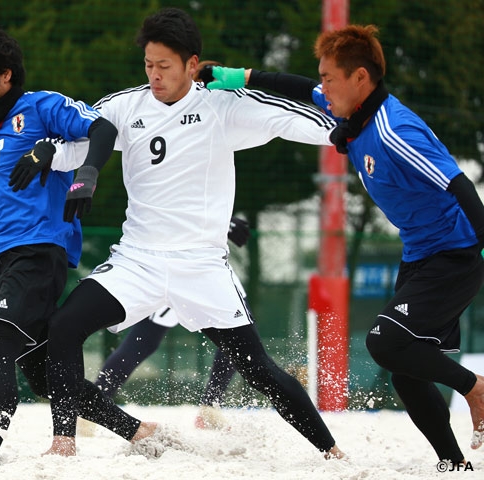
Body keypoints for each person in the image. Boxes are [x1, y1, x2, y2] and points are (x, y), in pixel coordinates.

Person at [34, 7, 343, 459]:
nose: (154, 75)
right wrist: (44, 153)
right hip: (137, 260)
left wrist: (350, 130)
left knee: (257, 368)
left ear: (192, 65)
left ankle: (331, 452)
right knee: (63, 327)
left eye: (164, 66)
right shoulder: (126, 105)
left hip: (201, 266)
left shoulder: (223, 105)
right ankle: (63, 443)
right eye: (148, 65)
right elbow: (76, 142)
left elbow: (312, 122)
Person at [206, 24, 484, 465]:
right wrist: (238, 77)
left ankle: (475, 388)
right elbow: (297, 89)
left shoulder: (396, 131)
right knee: (407, 370)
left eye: (330, 78)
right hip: (419, 254)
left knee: (383, 342)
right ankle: (454, 465)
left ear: (360, 78)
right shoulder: (355, 114)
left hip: (454, 255)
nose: (323, 87)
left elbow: (460, 185)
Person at [0, 17, 156, 465]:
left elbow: (103, 129)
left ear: (4, 75)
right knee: (46, 376)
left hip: (39, 252)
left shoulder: (42, 106)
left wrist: (86, 175)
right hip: (4, 257)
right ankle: (139, 431)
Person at [93, 215, 250, 430]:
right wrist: (218, 222)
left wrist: (221, 221)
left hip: (205, 264)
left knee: (239, 334)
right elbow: (177, 202)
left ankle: (211, 406)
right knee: (143, 341)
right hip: (174, 262)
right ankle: (93, 404)